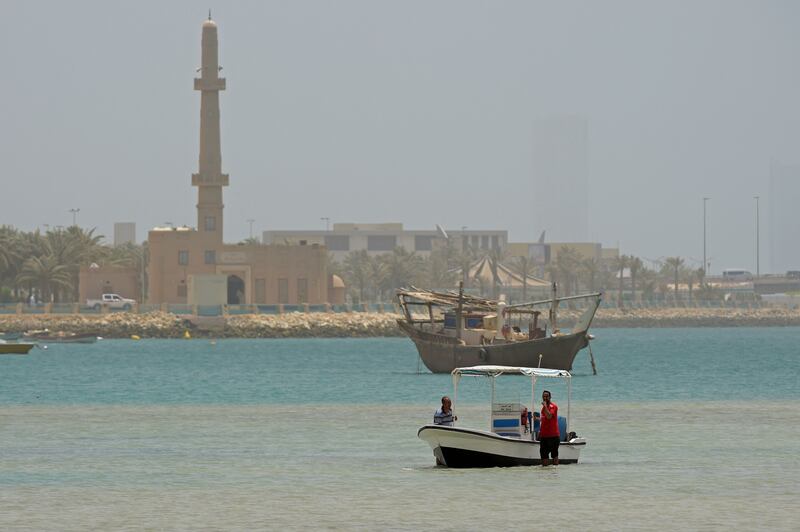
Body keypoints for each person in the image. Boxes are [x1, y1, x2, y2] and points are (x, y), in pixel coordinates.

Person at [539, 390, 559, 466]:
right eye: (544, 396)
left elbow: (549, 416)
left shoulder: (553, 406)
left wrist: (545, 406)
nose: (545, 398)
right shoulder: (544, 408)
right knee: (543, 456)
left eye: (547, 396)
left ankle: (555, 473)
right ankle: (546, 474)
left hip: (553, 436)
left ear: (550, 397)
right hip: (544, 436)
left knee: (554, 456)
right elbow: (544, 419)